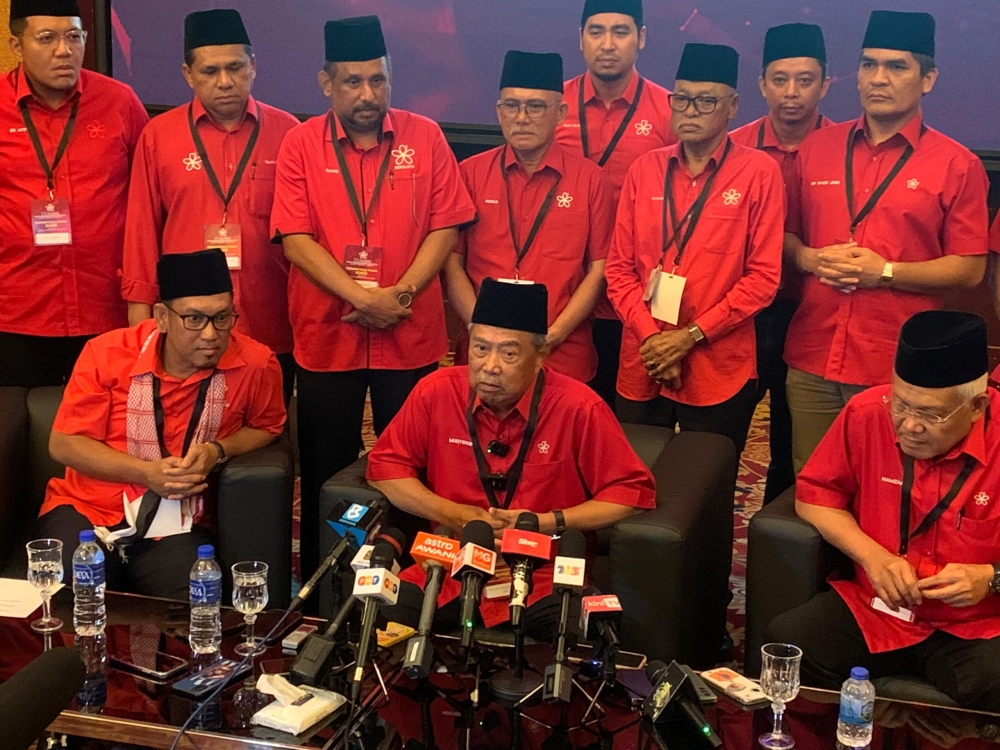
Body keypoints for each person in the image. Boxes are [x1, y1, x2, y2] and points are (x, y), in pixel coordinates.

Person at [270, 15, 476, 585]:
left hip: (408, 333)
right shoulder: (299, 144)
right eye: (353, 82)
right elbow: (295, 238)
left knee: (414, 466)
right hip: (326, 331)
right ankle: (322, 583)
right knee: (325, 467)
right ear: (326, 83)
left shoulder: (426, 136)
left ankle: (411, 585)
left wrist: (401, 292)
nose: (368, 95)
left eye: (378, 81)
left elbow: (446, 227)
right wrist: (361, 295)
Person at [367, 278, 655, 638]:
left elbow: (632, 493)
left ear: (540, 357)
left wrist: (547, 521)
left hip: (542, 573)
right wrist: (454, 514)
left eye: (508, 353)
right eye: (480, 348)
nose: (490, 366)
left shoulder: (579, 407)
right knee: (377, 618)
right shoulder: (435, 393)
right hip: (446, 564)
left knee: (578, 637)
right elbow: (384, 470)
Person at [783, 10, 989, 473]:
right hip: (812, 353)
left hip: (896, 368)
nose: (878, 78)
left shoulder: (957, 164)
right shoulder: (817, 147)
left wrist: (886, 273)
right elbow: (785, 236)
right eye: (868, 65)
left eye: (897, 67)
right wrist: (810, 258)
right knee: (811, 481)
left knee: (889, 485)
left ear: (928, 78)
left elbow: (970, 267)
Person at [766, 311, 1000, 712]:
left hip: (975, 625)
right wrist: (872, 556)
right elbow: (814, 496)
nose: (908, 425)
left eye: (930, 413)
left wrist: (992, 578)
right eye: (902, 404)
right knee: (788, 647)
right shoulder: (868, 411)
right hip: (876, 607)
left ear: (976, 406)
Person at [35, 249, 286, 599]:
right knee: (66, 583)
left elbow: (268, 427)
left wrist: (218, 450)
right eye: (195, 319)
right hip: (90, 508)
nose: (212, 334)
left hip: (179, 519)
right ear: (162, 318)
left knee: (193, 597)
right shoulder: (106, 353)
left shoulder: (256, 364)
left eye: (223, 318)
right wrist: (146, 473)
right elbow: (64, 443)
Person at [605, 42, 784, 459]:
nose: (689, 110)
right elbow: (618, 270)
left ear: (733, 106)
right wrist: (654, 340)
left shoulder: (759, 173)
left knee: (707, 488)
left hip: (717, 361)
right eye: (681, 99)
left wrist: (688, 337)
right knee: (633, 483)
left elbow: (763, 278)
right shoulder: (644, 169)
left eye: (705, 101)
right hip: (643, 359)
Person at [121, 9, 300, 402]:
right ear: (188, 74)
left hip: (272, 318)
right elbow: (141, 230)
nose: (225, 82)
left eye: (235, 68)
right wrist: (140, 316)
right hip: (187, 325)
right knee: (185, 431)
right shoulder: (159, 136)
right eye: (209, 71)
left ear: (253, 66)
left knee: (266, 432)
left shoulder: (290, 134)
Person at [0, 0, 148, 388]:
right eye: (47, 38)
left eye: (74, 36)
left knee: (108, 429)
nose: (64, 50)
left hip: (105, 307)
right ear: (17, 45)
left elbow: (148, 200)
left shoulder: (119, 102)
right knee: (15, 432)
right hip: (17, 310)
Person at [445, 50, 614, 383]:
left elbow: (599, 270)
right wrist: (476, 328)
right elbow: (452, 261)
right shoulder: (469, 174)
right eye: (511, 106)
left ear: (560, 113)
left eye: (535, 106)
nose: (521, 118)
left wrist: (554, 334)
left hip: (561, 352)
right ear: (498, 111)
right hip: (483, 356)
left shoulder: (591, 180)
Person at [730, 23, 835, 504]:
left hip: (815, 309)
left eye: (805, 80)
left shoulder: (843, 148)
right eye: (779, 79)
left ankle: (780, 548)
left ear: (825, 85)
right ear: (761, 84)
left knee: (795, 441)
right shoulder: (732, 148)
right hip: (742, 310)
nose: (791, 93)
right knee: (725, 431)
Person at [558, 0, 676, 410]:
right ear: (580, 39)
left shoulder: (668, 111)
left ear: (641, 38)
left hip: (635, 298)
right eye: (596, 31)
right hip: (566, 292)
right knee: (562, 414)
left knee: (626, 420)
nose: (607, 44)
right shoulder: (552, 107)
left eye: (621, 32)